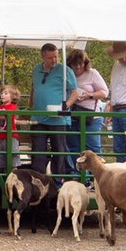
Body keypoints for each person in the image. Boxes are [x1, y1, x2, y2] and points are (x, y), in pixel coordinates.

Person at [28, 43, 79, 178]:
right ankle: (37, 181)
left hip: (58, 118)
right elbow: (34, 88)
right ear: (43, 57)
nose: (54, 60)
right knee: (38, 151)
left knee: (59, 151)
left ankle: (57, 181)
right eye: (50, 58)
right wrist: (30, 104)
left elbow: (75, 92)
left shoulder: (65, 70)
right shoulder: (36, 70)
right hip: (39, 118)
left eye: (56, 57)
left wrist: (65, 106)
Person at [65, 49, 109, 157]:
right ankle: (76, 173)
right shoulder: (67, 75)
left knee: (92, 147)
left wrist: (89, 95)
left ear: (85, 63)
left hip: (91, 116)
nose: (78, 67)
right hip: (73, 115)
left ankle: (97, 173)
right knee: (74, 147)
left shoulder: (92, 73)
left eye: (81, 64)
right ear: (70, 64)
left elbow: (104, 92)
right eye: (75, 64)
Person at [0, 85, 29, 172]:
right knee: (2, 163)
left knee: (12, 162)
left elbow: (5, 115)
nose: (2, 95)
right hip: (0, 138)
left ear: (13, 97)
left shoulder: (12, 107)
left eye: (6, 93)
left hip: (10, 137)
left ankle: (13, 180)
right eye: (2, 93)